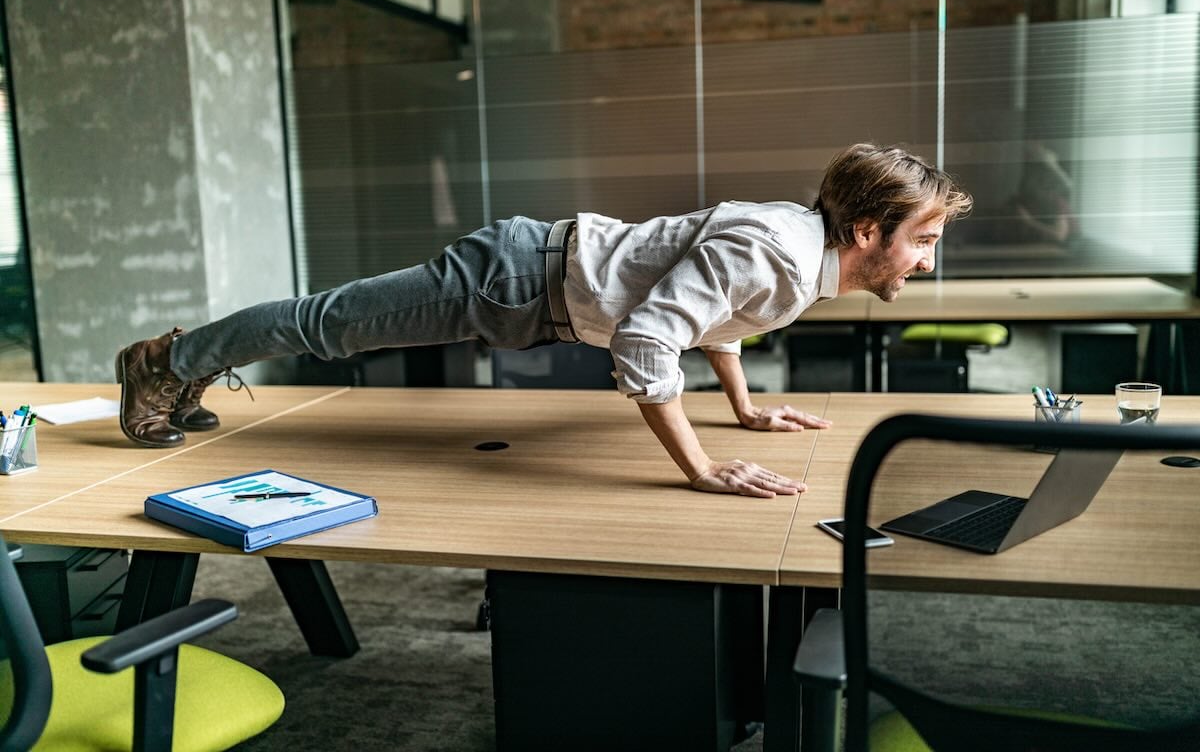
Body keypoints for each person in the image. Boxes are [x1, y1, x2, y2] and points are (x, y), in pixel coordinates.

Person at [116, 142, 972, 498]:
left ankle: (185, 359)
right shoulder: (781, 252)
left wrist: (745, 407)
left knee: (332, 326)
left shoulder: (799, 260)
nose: (927, 259)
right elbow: (648, 338)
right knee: (332, 326)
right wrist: (702, 464)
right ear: (868, 231)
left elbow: (717, 319)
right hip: (515, 279)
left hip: (540, 291)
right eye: (923, 240)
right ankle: (167, 359)